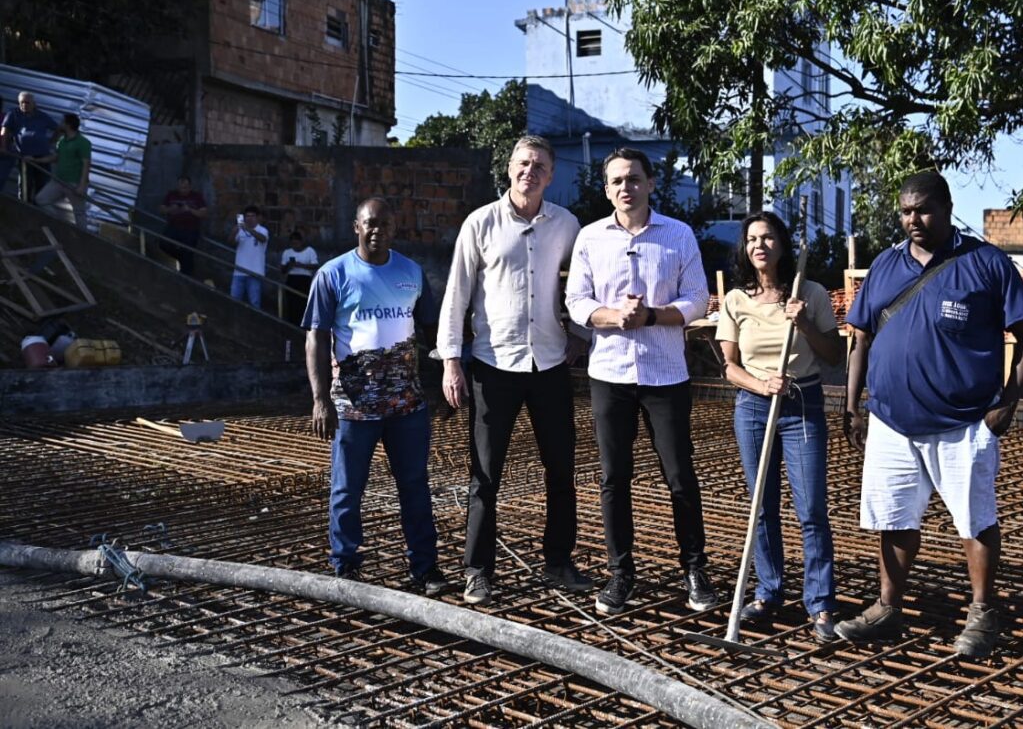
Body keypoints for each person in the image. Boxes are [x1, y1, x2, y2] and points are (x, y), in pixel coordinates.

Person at [836, 171, 1023, 657]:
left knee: (975, 520)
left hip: (963, 423)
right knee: (894, 518)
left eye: (923, 209)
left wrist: (1006, 404)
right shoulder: (885, 266)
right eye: (906, 211)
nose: (913, 220)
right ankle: (888, 608)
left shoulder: (986, 264)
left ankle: (983, 613)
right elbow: (860, 339)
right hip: (890, 421)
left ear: (948, 208)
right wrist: (851, 405)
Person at [437, 135, 590, 606]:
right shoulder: (481, 223)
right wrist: (450, 360)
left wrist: (581, 336)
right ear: (509, 169)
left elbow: (583, 286)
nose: (531, 172)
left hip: (548, 363)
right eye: (524, 163)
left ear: (551, 174)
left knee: (560, 467)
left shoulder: (567, 225)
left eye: (540, 166)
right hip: (492, 364)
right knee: (485, 474)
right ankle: (478, 570)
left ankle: (559, 560)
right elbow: (456, 294)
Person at [565, 147, 715, 616]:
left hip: (665, 374)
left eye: (633, 179)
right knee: (614, 478)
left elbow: (699, 299)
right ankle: (621, 572)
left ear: (651, 183)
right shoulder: (590, 237)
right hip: (610, 374)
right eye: (615, 181)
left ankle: (695, 570)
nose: (624, 188)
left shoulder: (678, 234)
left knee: (679, 477)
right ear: (607, 189)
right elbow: (576, 300)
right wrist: (613, 316)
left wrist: (651, 315)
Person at [302, 197, 447, 594]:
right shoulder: (333, 275)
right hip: (353, 406)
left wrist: (446, 378)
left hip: (406, 406)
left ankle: (425, 567)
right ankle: (344, 564)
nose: (376, 230)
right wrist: (320, 399)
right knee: (347, 488)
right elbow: (315, 336)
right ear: (356, 227)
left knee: (414, 485)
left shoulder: (412, 273)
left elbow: (431, 332)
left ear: (394, 228)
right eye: (369, 223)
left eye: (384, 224)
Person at [716, 211, 844, 642]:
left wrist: (804, 323)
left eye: (768, 238)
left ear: (782, 244)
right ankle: (769, 590)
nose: (759, 246)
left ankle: (820, 602)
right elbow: (729, 367)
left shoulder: (809, 293)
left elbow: (834, 356)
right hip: (753, 405)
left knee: (810, 508)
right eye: (752, 239)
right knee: (761, 506)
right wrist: (761, 383)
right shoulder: (737, 300)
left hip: (802, 402)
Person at [33, 113, 92, 228]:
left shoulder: (83, 142)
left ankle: (83, 240)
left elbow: (86, 165)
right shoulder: (62, 141)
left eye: (62, 122)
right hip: (59, 180)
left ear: (68, 125)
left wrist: (81, 186)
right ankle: (60, 225)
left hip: (74, 184)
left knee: (79, 213)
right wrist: (36, 160)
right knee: (41, 199)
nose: (60, 124)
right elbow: (55, 157)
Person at [1, 92, 58, 201]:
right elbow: (5, 130)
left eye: (27, 103)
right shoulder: (14, 114)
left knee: (42, 185)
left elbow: (58, 129)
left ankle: (38, 211)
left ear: (34, 104)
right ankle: (24, 208)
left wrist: (51, 141)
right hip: (25, 157)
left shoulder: (42, 116)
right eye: (22, 103)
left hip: (42, 157)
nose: (24, 105)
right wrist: (4, 147)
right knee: (25, 186)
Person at [159, 176, 209, 276]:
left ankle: (187, 277)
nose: (183, 190)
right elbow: (162, 209)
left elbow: (203, 213)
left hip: (190, 229)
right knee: (164, 244)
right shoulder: (172, 195)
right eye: (181, 187)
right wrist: (171, 209)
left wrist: (190, 210)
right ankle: (178, 259)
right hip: (174, 227)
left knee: (188, 253)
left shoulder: (196, 197)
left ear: (190, 187)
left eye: (185, 187)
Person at [230, 205, 269, 308]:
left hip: (255, 272)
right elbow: (231, 243)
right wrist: (233, 233)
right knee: (234, 300)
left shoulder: (262, 230)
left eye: (252, 216)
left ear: (257, 218)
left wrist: (248, 229)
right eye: (247, 216)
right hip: (239, 272)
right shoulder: (240, 230)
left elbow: (263, 239)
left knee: (254, 302)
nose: (250, 218)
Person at [281, 231, 320, 324]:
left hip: (304, 279)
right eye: (293, 243)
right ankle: (292, 322)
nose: (295, 246)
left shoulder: (310, 251)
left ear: (301, 242)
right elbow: (282, 269)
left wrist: (301, 265)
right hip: (292, 278)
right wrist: (289, 265)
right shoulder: (287, 252)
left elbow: (315, 265)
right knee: (291, 303)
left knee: (303, 302)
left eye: (297, 243)